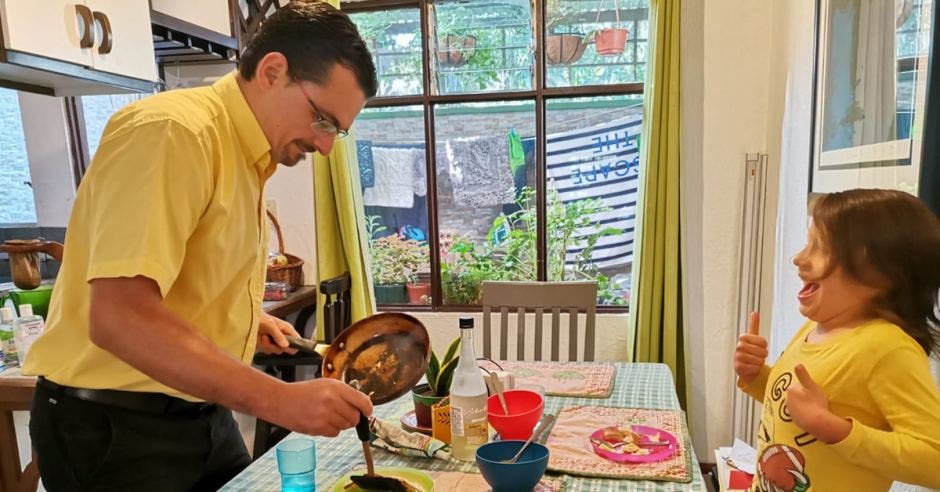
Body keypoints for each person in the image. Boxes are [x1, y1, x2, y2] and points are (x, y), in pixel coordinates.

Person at [22, 2, 378, 490]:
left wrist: (240, 322)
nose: (324, 146)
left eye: (337, 131)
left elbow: (181, 282)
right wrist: (280, 399)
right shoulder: (174, 132)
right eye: (323, 120)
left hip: (196, 415)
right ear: (273, 72)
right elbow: (119, 318)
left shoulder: (247, 154)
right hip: (116, 427)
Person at [734, 189, 940, 491]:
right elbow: (794, 408)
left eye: (819, 247)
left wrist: (833, 429)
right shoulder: (814, 328)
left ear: (878, 272)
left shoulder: (887, 348)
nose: (798, 259)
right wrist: (756, 376)